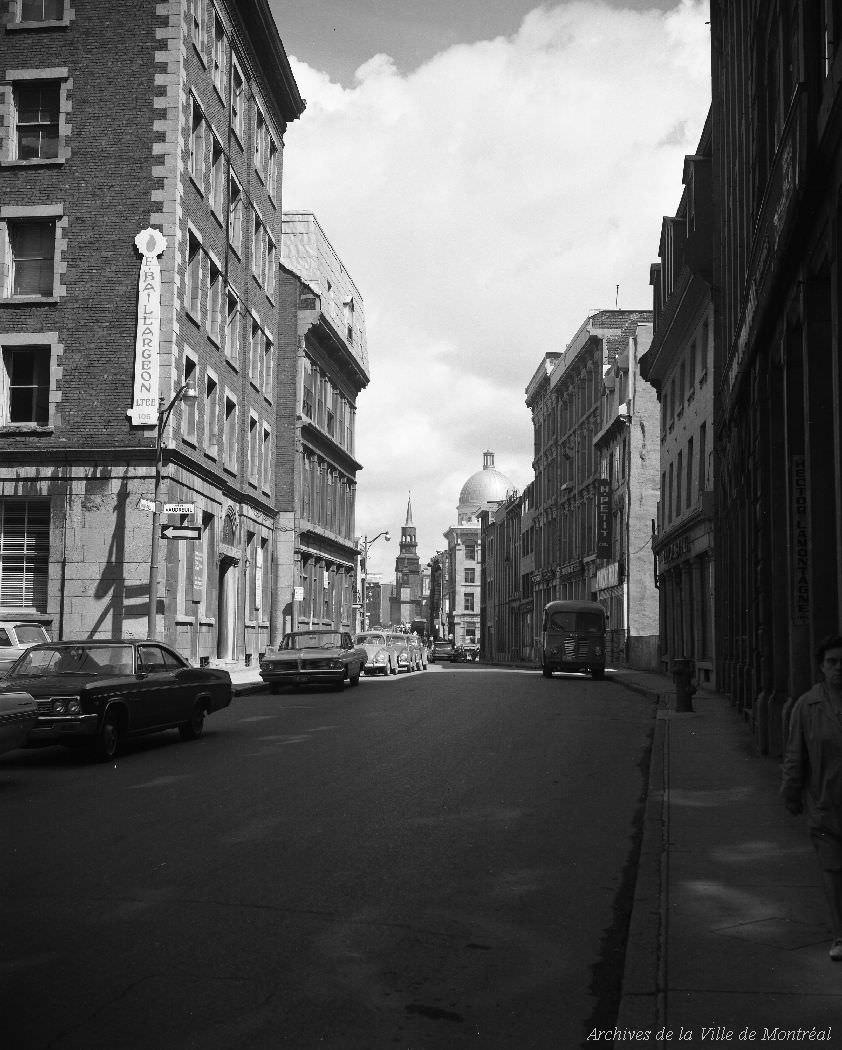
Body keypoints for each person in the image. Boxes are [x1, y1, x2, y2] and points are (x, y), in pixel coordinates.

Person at [781, 634, 842, 960]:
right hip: (825, 804)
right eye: (832, 662)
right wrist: (791, 791)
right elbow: (795, 755)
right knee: (833, 871)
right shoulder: (807, 706)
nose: (839, 668)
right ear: (821, 666)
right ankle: (840, 935)